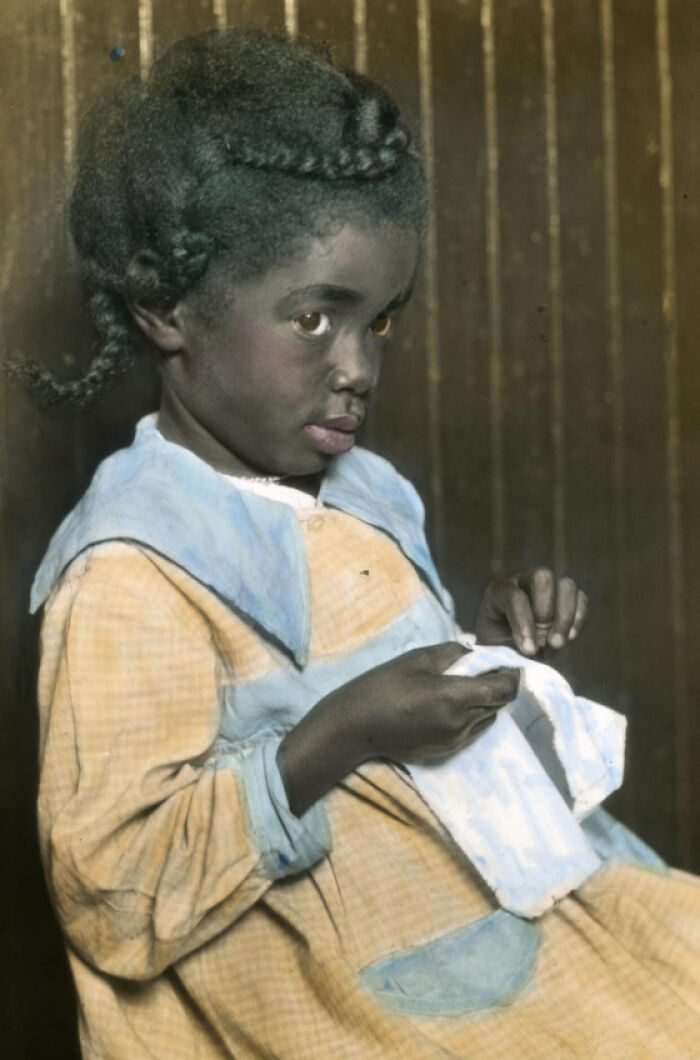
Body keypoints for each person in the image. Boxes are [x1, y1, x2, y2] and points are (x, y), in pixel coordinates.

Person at [13, 27, 699, 1060]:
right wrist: (342, 732)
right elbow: (116, 894)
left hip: (478, 930)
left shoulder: (364, 495)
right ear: (165, 306)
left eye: (377, 324)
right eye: (312, 320)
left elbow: (379, 706)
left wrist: (480, 656)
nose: (356, 369)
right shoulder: (128, 577)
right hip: (333, 1005)